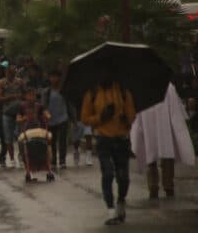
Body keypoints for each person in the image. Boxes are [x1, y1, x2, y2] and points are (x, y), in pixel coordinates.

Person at [81, 70, 136, 226]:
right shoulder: (91, 93)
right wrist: (101, 117)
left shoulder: (123, 92)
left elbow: (132, 114)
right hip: (103, 139)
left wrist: (126, 119)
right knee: (108, 173)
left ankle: (121, 201)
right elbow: (84, 118)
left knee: (123, 176)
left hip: (121, 139)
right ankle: (111, 210)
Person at [130, 83, 196, 199]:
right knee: (160, 156)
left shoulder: (161, 87)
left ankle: (158, 187)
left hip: (155, 127)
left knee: (155, 156)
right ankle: (162, 186)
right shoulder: (166, 87)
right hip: (159, 127)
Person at [17, 87, 54, 181]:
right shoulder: (21, 106)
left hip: (39, 130)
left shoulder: (39, 106)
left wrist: (47, 115)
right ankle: (28, 170)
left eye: (33, 95)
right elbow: (18, 119)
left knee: (48, 142)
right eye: (29, 95)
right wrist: (24, 118)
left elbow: (47, 114)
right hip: (27, 131)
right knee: (22, 144)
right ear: (25, 96)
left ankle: (49, 168)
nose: (31, 97)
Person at [0, 65, 26, 168]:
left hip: (19, 112)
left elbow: (25, 93)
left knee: (21, 137)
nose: (11, 75)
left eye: (13, 72)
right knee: (8, 138)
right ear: (6, 73)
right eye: (9, 73)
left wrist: (22, 99)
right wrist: (10, 97)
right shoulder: (1, 83)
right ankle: (12, 158)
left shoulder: (20, 82)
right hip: (7, 112)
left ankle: (21, 157)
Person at [42, 70, 70, 169]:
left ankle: (62, 160)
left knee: (62, 140)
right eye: (52, 77)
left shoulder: (64, 90)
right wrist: (45, 114)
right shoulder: (47, 92)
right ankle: (53, 160)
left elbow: (69, 104)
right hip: (51, 119)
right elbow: (43, 106)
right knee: (51, 141)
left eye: (56, 77)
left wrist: (74, 119)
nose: (54, 79)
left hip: (63, 118)